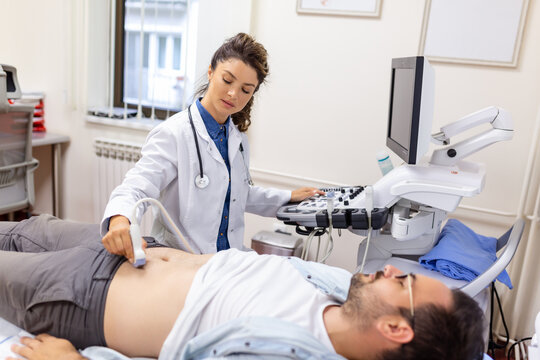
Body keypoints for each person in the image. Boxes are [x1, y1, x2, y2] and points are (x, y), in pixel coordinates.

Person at [1, 215, 486, 360]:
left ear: (395, 329)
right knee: (23, 227)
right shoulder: (334, 292)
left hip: (83, 296)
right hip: (127, 248)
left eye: (403, 283)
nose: (390, 270)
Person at [101, 33, 322, 261]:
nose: (233, 94)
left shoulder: (237, 139)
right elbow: (136, 187)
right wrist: (120, 219)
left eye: (246, 90)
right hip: (185, 259)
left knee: (294, 273)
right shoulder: (174, 133)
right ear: (210, 72)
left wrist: (289, 196)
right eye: (227, 80)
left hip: (228, 258)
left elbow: (237, 194)